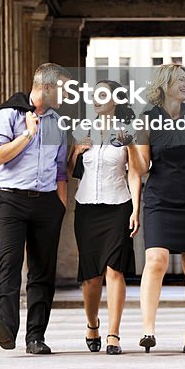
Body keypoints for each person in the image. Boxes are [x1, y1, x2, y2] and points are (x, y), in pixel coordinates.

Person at [0, 62, 71, 355]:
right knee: (10, 263)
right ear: (46, 87)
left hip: (47, 203)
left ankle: (35, 336)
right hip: (11, 200)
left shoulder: (59, 123)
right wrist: (27, 135)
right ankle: (5, 326)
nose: (66, 94)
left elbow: (61, 170)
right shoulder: (6, 115)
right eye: (62, 88)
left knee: (42, 271)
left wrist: (60, 206)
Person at [136, 64, 185, 353]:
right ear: (165, 84)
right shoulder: (147, 119)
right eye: (180, 80)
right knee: (155, 259)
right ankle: (148, 329)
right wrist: (132, 145)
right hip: (159, 196)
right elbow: (143, 167)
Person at [69, 80, 142, 355]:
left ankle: (114, 333)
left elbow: (135, 172)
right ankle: (92, 324)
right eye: (94, 94)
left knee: (115, 269)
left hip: (119, 205)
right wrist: (76, 151)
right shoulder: (81, 129)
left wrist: (136, 208)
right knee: (90, 277)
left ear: (116, 100)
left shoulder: (129, 131)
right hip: (87, 207)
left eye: (103, 94)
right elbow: (68, 170)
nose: (96, 99)